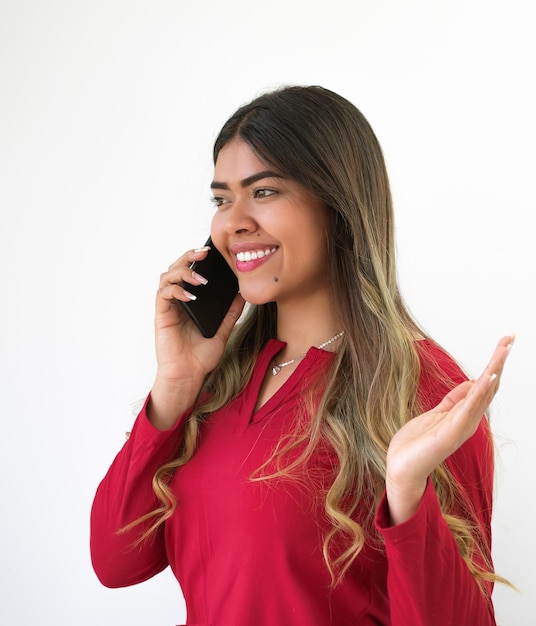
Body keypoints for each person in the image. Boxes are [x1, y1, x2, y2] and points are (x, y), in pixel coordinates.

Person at [90, 85, 513, 626]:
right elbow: (116, 561)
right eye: (222, 199)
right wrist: (174, 386)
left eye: (263, 191)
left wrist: (407, 493)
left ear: (337, 204)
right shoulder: (216, 384)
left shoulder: (423, 387)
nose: (232, 222)